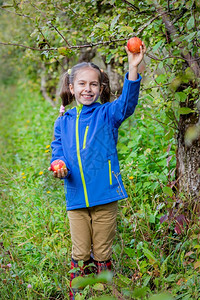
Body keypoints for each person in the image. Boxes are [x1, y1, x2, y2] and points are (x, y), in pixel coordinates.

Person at [49, 42, 146, 299]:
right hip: (76, 198)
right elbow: (57, 151)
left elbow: (127, 103)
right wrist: (57, 165)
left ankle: (104, 291)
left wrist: (133, 68)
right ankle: (78, 293)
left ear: (101, 88)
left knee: (102, 252)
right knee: (80, 252)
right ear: (71, 88)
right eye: (82, 84)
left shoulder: (108, 114)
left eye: (93, 84)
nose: (88, 89)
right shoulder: (63, 121)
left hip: (105, 196)